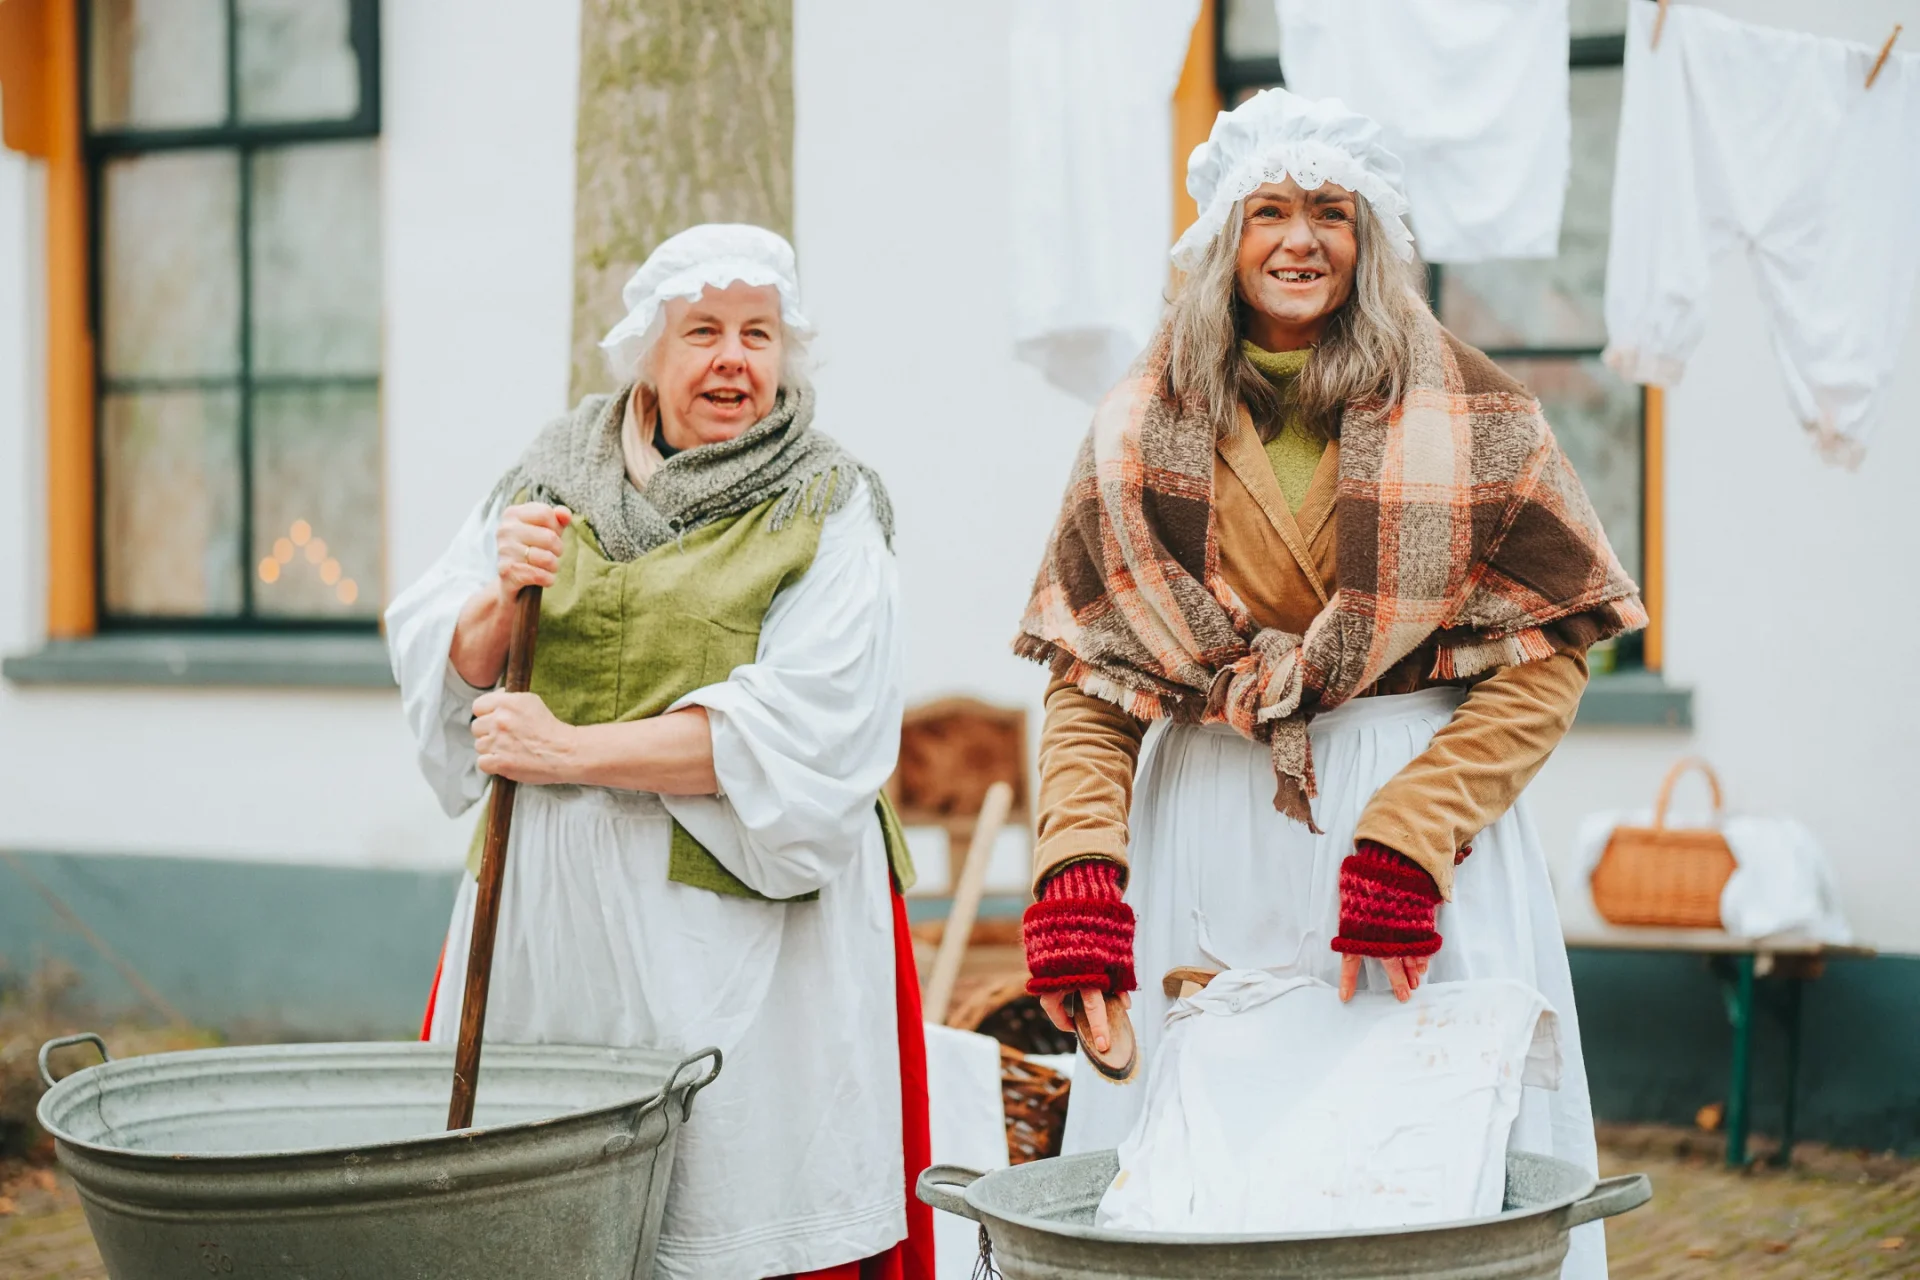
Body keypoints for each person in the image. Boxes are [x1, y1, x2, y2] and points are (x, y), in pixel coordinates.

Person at [1014, 90, 1644, 1278]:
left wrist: (1414, 835)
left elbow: (1549, 658)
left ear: (1372, 239)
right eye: (1268, 211)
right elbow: (1092, 682)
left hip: (1411, 825)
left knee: (1420, 1161)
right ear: (1223, 236)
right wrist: (1080, 869)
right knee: (1205, 1170)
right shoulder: (1135, 425)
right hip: (1211, 818)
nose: (1299, 239)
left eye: (1331, 213)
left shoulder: (1478, 410)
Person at [387, 224, 932, 1280]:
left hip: (744, 928)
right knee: (539, 1203)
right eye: (704, 332)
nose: (734, 359)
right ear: (649, 349)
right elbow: (440, 649)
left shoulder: (829, 499)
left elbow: (810, 724)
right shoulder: (550, 472)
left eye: (758, 334)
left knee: (730, 1187)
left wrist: (568, 750)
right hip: (554, 915)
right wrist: (495, 598)